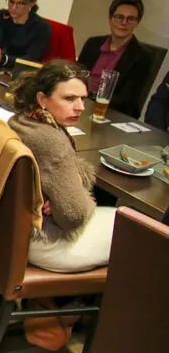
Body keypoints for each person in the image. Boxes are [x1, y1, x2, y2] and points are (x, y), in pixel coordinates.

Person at [7, 61, 114, 272]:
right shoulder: (52, 141)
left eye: (83, 99)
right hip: (46, 243)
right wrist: (78, 191)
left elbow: (54, 177)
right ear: (42, 99)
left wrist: (74, 180)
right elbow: (73, 216)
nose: (80, 107)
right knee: (136, 231)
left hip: (13, 231)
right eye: (69, 98)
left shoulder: (20, 120)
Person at [78, 0, 155, 118]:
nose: (124, 23)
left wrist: (92, 97)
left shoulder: (142, 56)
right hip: (79, 104)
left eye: (130, 19)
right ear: (110, 18)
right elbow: (77, 77)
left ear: (137, 22)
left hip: (109, 114)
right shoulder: (92, 44)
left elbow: (128, 101)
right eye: (119, 17)